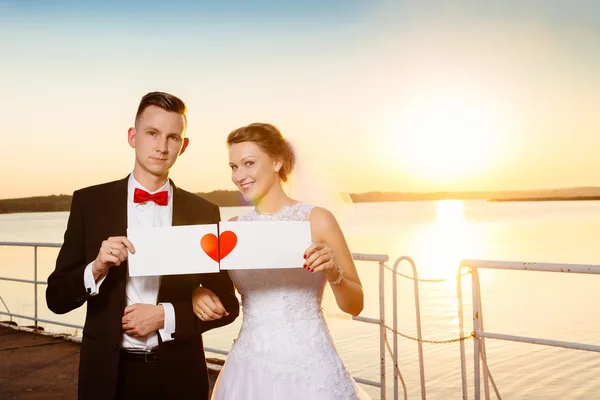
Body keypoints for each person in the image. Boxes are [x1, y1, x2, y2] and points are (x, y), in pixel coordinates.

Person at [46, 91, 239, 400]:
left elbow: (227, 305)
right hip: (108, 377)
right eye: (152, 133)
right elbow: (55, 298)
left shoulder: (204, 212)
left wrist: (167, 316)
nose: (162, 147)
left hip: (180, 376)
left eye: (172, 137)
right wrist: (95, 268)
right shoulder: (89, 203)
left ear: (183, 146)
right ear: (133, 136)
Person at [194, 122, 370, 399]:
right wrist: (197, 291)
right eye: (233, 167)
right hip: (248, 370)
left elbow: (355, 304)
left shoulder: (317, 219)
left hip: (311, 370)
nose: (239, 175)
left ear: (277, 162)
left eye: (248, 163)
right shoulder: (232, 229)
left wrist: (333, 272)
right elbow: (218, 295)